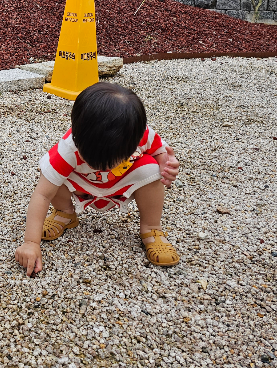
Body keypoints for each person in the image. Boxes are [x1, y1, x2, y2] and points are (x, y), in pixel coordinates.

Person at [15, 82, 180, 275]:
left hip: (122, 184)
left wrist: (167, 165)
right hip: (81, 187)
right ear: (77, 137)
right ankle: (65, 213)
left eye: (111, 162)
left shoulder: (139, 133)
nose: (103, 168)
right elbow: (42, 195)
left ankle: (151, 227)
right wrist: (30, 243)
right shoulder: (67, 150)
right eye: (93, 160)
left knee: (151, 169)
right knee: (51, 174)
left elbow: (161, 152)